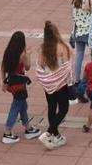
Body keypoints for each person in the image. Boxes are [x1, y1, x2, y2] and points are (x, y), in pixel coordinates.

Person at [35, 21, 72, 150]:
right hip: (61, 83)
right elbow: (67, 66)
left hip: (48, 84)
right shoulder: (62, 46)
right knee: (64, 108)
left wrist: (48, 77)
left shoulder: (42, 48)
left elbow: (40, 65)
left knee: (51, 107)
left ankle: (56, 136)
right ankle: (49, 132)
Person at [0, 31, 42, 144]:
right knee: (16, 107)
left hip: (12, 83)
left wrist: (4, 81)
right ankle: (7, 132)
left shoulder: (8, 52)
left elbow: (3, 67)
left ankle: (28, 128)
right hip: (19, 84)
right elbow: (27, 67)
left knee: (23, 105)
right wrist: (28, 54)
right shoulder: (22, 54)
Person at [70, 0, 92, 85]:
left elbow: (74, 18)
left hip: (78, 31)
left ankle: (76, 79)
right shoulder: (90, 1)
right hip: (89, 32)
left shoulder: (75, 1)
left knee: (79, 55)